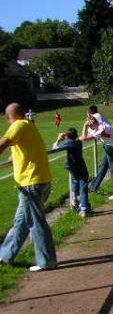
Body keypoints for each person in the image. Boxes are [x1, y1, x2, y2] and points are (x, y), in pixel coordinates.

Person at [0, 103, 57, 272]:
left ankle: (47, 262)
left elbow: (3, 143)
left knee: (35, 223)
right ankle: (5, 255)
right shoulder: (29, 126)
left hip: (31, 182)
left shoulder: (18, 125)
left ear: (7, 117)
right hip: (39, 180)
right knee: (21, 221)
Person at [82, 116, 113, 200]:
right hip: (110, 146)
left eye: (90, 123)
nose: (89, 125)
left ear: (94, 122)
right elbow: (84, 136)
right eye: (88, 123)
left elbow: (85, 138)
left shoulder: (102, 127)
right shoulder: (92, 129)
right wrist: (74, 140)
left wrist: (85, 126)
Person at [52, 128, 90, 217]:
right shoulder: (78, 142)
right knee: (83, 186)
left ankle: (74, 198)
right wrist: (67, 137)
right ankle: (83, 207)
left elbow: (55, 148)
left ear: (68, 137)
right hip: (82, 167)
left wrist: (58, 139)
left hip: (73, 167)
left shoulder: (69, 143)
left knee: (75, 181)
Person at [87, 105, 111, 193]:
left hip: (111, 145)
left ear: (90, 114)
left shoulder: (96, 120)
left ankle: (93, 187)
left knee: (104, 166)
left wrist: (86, 127)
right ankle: (94, 186)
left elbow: (91, 135)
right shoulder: (101, 118)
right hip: (112, 143)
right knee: (106, 166)